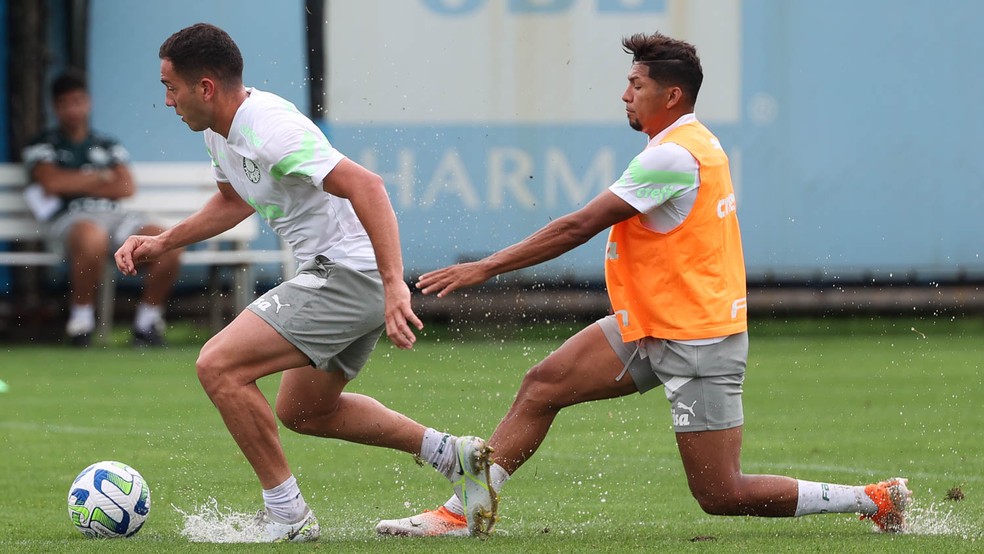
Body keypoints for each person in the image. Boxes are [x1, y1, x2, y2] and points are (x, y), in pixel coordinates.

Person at [376, 32, 911, 537]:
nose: (624, 95)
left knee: (720, 492)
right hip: (653, 322)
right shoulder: (691, 143)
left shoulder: (673, 156)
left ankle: (872, 499)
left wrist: (483, 268)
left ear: (671, 94)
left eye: (637, 86)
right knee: (544, 385)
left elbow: (577, 226)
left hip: (698, 341)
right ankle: (465, 510)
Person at [113, 23, 496, 543]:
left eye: (171, 87)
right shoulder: (217, 131)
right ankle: (452, 455)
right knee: (304, 410)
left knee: (218, 366)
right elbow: (232, 201)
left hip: (346, 274)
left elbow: (368, 185)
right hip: (341, 275)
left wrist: (393, 286)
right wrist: (164, 242)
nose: (166, 100)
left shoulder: (269, 129)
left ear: (204, 87)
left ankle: (288, 518)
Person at [23, 70, 181, 347]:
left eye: (78, 101)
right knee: (92, 235)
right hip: (72, 220)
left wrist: (74, 180)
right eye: (65, 103)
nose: (73, 109)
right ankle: (81, 323)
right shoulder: (43, 144)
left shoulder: (106, 143)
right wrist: (100, 177)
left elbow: (126, 187)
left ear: (88, 102)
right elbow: (51, 183)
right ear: (55, 107)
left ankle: (147, 324)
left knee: (167, 240)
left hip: (116, 218)